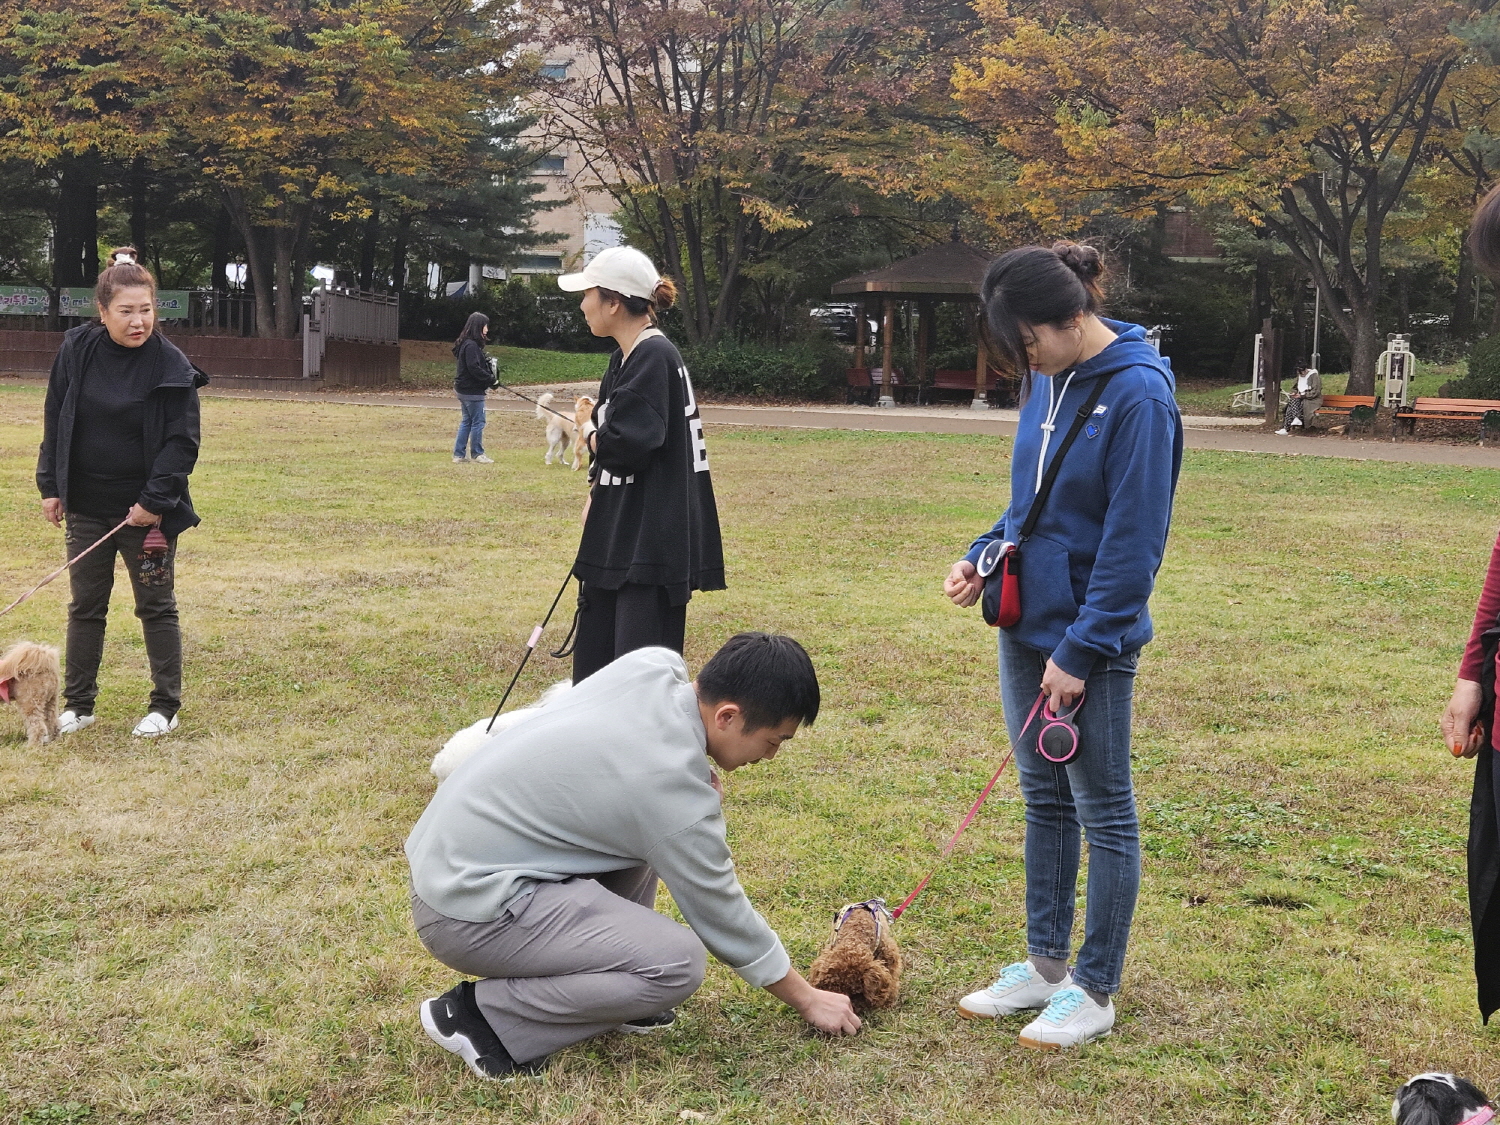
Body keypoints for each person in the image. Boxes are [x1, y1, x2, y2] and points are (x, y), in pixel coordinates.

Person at [405, 633, 860, 1080]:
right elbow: (723, 913)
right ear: (727, 716)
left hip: (451, 857)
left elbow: (628, 756)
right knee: (677, 965)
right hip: (466, 908)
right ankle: (479, 1018)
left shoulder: (651, 667)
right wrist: (807, 998)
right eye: (773, 741)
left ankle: (618, 989)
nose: (771, 756)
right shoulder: (670, 792)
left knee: (642, 839)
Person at [942, 241, 1183, 1050]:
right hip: (1023, 623)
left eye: (1029, 343)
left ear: (1073, 315)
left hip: (1090, 642)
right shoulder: (1046, 376)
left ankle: (1096, 985)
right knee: (1042, 799)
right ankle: (1046, 966)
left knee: (1103, 808)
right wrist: (984, 552)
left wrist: (1082, 650)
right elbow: (1029, 503)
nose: (1026, 360)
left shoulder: (1141, 396)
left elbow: (1133, 543)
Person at [35, 247, 207, 738]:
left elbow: (182, 441)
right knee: (85, 606)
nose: (139, 321)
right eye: (126, 311)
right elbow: (56, 416)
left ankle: (164, 706)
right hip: (86, 505)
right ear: (103, 312)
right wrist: (51, 484)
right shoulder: (77, 349)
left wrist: (154, 502)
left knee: (156, 605)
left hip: (147, 516)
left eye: (147, 309)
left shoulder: (170, 363)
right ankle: (79, 704)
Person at [557, 246, 725, 682]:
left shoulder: (654, 356)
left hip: (648, 545)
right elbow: (615, 434)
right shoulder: (625, 358)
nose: (582, 304)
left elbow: (628, 442)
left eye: (588, 294)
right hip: (622, 534)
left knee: (637, 686)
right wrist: (597, 488)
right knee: (597, 676)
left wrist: (588, 433)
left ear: (613, 302)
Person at [453, 312, 497, 464]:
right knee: (478, 422)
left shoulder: (466, 344)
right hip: (471, 390)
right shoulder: (471, 346)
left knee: (467, 421)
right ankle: (477, 453)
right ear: (479, 326)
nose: (487, 329)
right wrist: (490, 379)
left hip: (463, 389)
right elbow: (474, 368)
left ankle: (459, 454)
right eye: (485, 326)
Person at [1274, 365, 1322, 435]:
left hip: (1311, 400)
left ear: (1306, 370)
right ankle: (1295, 419)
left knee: (1291, 406)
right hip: (1300, 397)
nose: (1302, 374)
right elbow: (1295, 388)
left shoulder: (1314, 376)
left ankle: (1286, 428)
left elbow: (1316, 391)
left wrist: (1302, 395)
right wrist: (1294, 393)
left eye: (1302, 372)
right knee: (1293, 401)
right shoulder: (1299, 376)